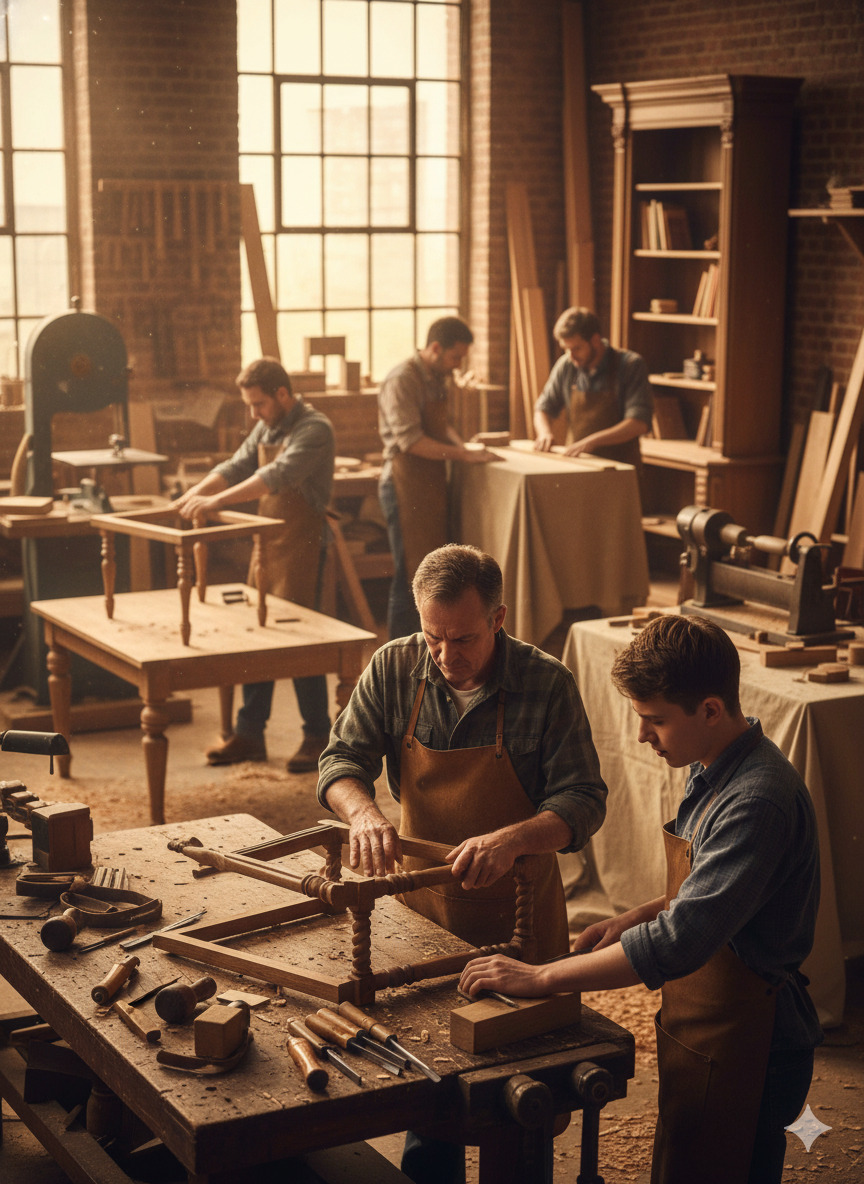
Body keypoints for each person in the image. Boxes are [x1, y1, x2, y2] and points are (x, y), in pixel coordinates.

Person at [459, 613, 823, 1184]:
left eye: (655, 720)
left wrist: (541, 979)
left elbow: (681, 942)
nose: (641, 736)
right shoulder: (714, 767)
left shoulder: (757, 800)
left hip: (755, 1041)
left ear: (709, 710)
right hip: (707, 1022)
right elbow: (717, 893)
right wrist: (637, 916)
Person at [318, 543, 607, 1184]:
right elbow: (339, 761)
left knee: (522, 1103)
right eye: (434, 636)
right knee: (428, 1086)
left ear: (499, 617)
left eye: (465, 638)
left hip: (521, 917)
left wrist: (512, 839)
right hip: (425, 913)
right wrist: (364, 814)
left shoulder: (547, 683)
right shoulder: (395, 667)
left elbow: (584, 800)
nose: (448, 657)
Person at [173, 357, 335, 773]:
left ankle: (317, 734)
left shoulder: (315, 429)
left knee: (300, 640)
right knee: (256, 634)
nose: (253, 414)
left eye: (258, 404)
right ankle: (250, 734)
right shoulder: (268, 425)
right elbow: (237, 465)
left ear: (283, 395)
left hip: (302, 542)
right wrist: (194, 494)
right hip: (270, 542)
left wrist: (216, 502)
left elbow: (277, 475)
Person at [377, 316, 495, 640]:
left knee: (432, 574)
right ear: (435, 348)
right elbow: (411, 442)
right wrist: (464, 455)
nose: (458, 365)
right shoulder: (403, 379)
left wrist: (466, 447)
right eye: (455, 357)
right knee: (408, 577)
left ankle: (428, 645)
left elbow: (443, 429)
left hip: (428, 482)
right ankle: (399, 651)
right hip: (403, 484)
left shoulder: (436, 377)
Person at [533, 306, 652, 468]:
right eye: (567, 349)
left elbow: (638, 423)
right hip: (580, 465)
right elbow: (542, 408)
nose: (572, 356)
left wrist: (592, 442)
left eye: (577, 348)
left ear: (595, 340)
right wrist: (544, 432)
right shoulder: (567, 365)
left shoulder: (630, 365)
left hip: (620, 469)